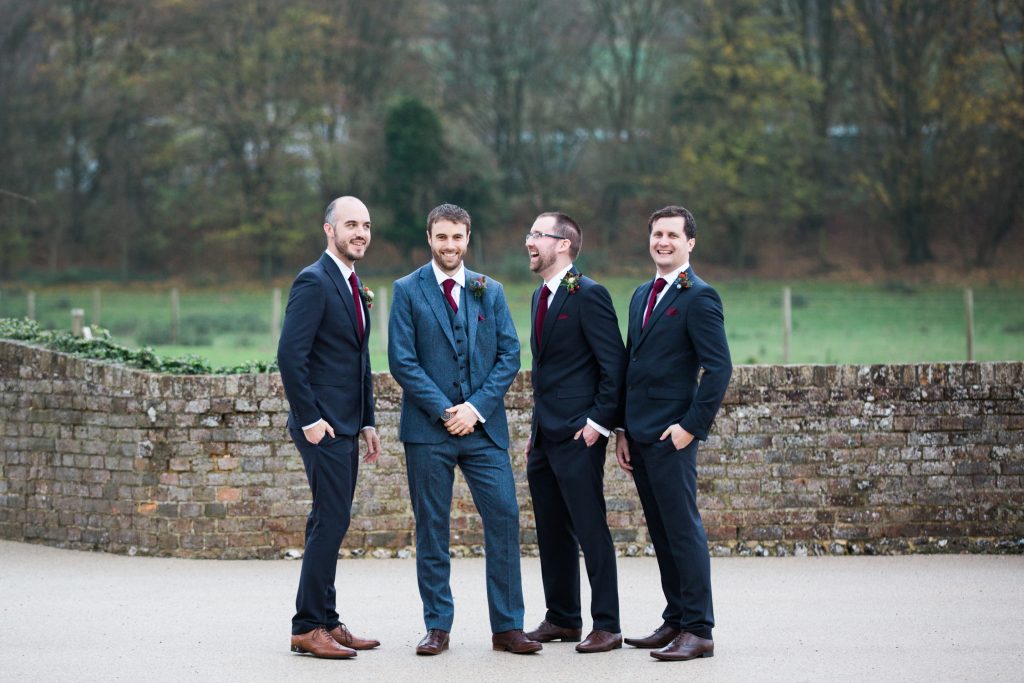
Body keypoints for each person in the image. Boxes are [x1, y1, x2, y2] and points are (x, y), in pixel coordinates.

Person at [388, 203, 541, 656]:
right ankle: (437, 626)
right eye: (442, 238)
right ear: (429, 238)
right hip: (427, 431)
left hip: (483, 430)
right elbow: (403, 360)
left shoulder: (487, 290)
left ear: (467, 239)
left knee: (505, 518)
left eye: (457, 237)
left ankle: (508, 627)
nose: (449, 245)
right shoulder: (407, 290)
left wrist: (474, 409)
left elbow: (509, 355)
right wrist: (444, 410)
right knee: (432, 528)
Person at [615, 205, 732, 661]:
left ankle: (699, 629)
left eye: (672, 235)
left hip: (672, 436)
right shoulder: (642, 294)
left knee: (683, 529)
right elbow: (632, 364)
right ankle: (677, 618)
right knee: (661, 531)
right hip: (639, 435)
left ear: (690, 243)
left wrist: (690, 428)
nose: (662, 241)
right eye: (657, 234)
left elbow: (718, 368)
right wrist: (622, 428)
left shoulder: (700, 296)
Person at [277, 196, 382, 659]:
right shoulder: (314, 281)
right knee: (331, 520)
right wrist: (311, 419)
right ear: (329, 230)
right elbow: (290, 356)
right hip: (321, 426)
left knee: (328, 519)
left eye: (365, 225)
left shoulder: (354, 283)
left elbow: (359, 359)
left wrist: (368, 421)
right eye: (350, 225)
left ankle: (327, 619)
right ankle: (306, 627)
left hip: (346, 424)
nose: (360, 233)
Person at [521, 212, 626, 653]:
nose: (529, 241)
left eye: (537, 235)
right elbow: (546, 372)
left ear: (562, 244)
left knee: (589, 527)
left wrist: (599, 424)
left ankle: (608, 623)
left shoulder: (589, 294)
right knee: (551, 529)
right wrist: (534, 430)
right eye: (530, 234)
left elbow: (614, 365)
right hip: (545, 436)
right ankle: (562, 616)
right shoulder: (538, 296)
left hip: (580, 435)